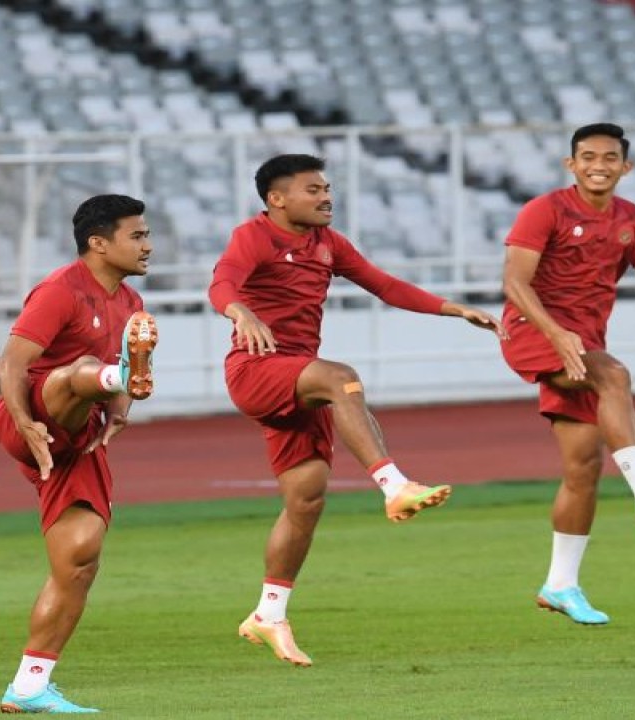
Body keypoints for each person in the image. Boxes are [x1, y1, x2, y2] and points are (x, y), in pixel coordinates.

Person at [208, 154, 501, 667]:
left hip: (299, 380)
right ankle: (394, 485)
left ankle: (268, 614)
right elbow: (223, 283)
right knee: (340, 377)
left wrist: (453, 309)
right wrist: (241, 311)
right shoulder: (254, 236)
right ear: (277, 199)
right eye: (312, 189)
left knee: (306, 499)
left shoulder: (328, 244)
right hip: (257, 371)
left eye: (326, 188)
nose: (326, 197)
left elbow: (384, 284)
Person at [499, 123, 635, 625]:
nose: (598, 164)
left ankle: (560, 585)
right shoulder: (545, 210)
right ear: (570, 164)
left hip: (584, 342)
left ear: (626, 167)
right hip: (534, 331)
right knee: (615, 376)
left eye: (609, 157)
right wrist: (555, 333)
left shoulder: (632, 219)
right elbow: (514, 281)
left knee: (583, 469)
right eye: (587, 156)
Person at [0, 194, 158, 713]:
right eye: (137, 235)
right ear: (98, 242)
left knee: (80, 557)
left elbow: (123, 384)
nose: (148, 245)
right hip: (35, 413)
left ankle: (29, 685)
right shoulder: (60, 290)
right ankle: (110, 376)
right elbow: (12, 362)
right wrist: (24, 421)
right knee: (83, 367)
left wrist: (120, 408)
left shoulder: (130, 304)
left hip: (78, 433)